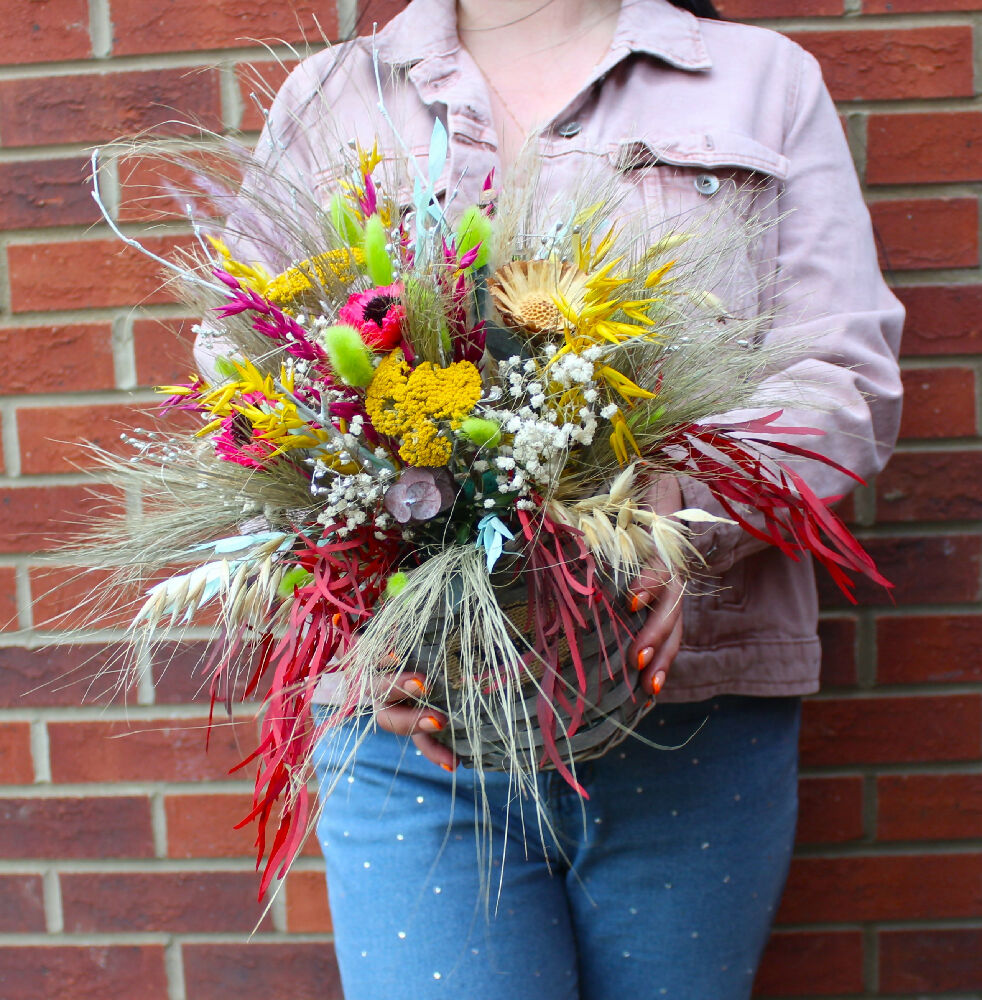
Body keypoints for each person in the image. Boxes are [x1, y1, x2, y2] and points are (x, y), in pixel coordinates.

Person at [203, 1, 904, 996]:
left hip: (688, 714)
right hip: (413, 730)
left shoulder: (760, 81)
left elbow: (841, 379)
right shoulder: (334, 96)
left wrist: (679, 517)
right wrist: (358, 592)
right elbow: (247, 381)